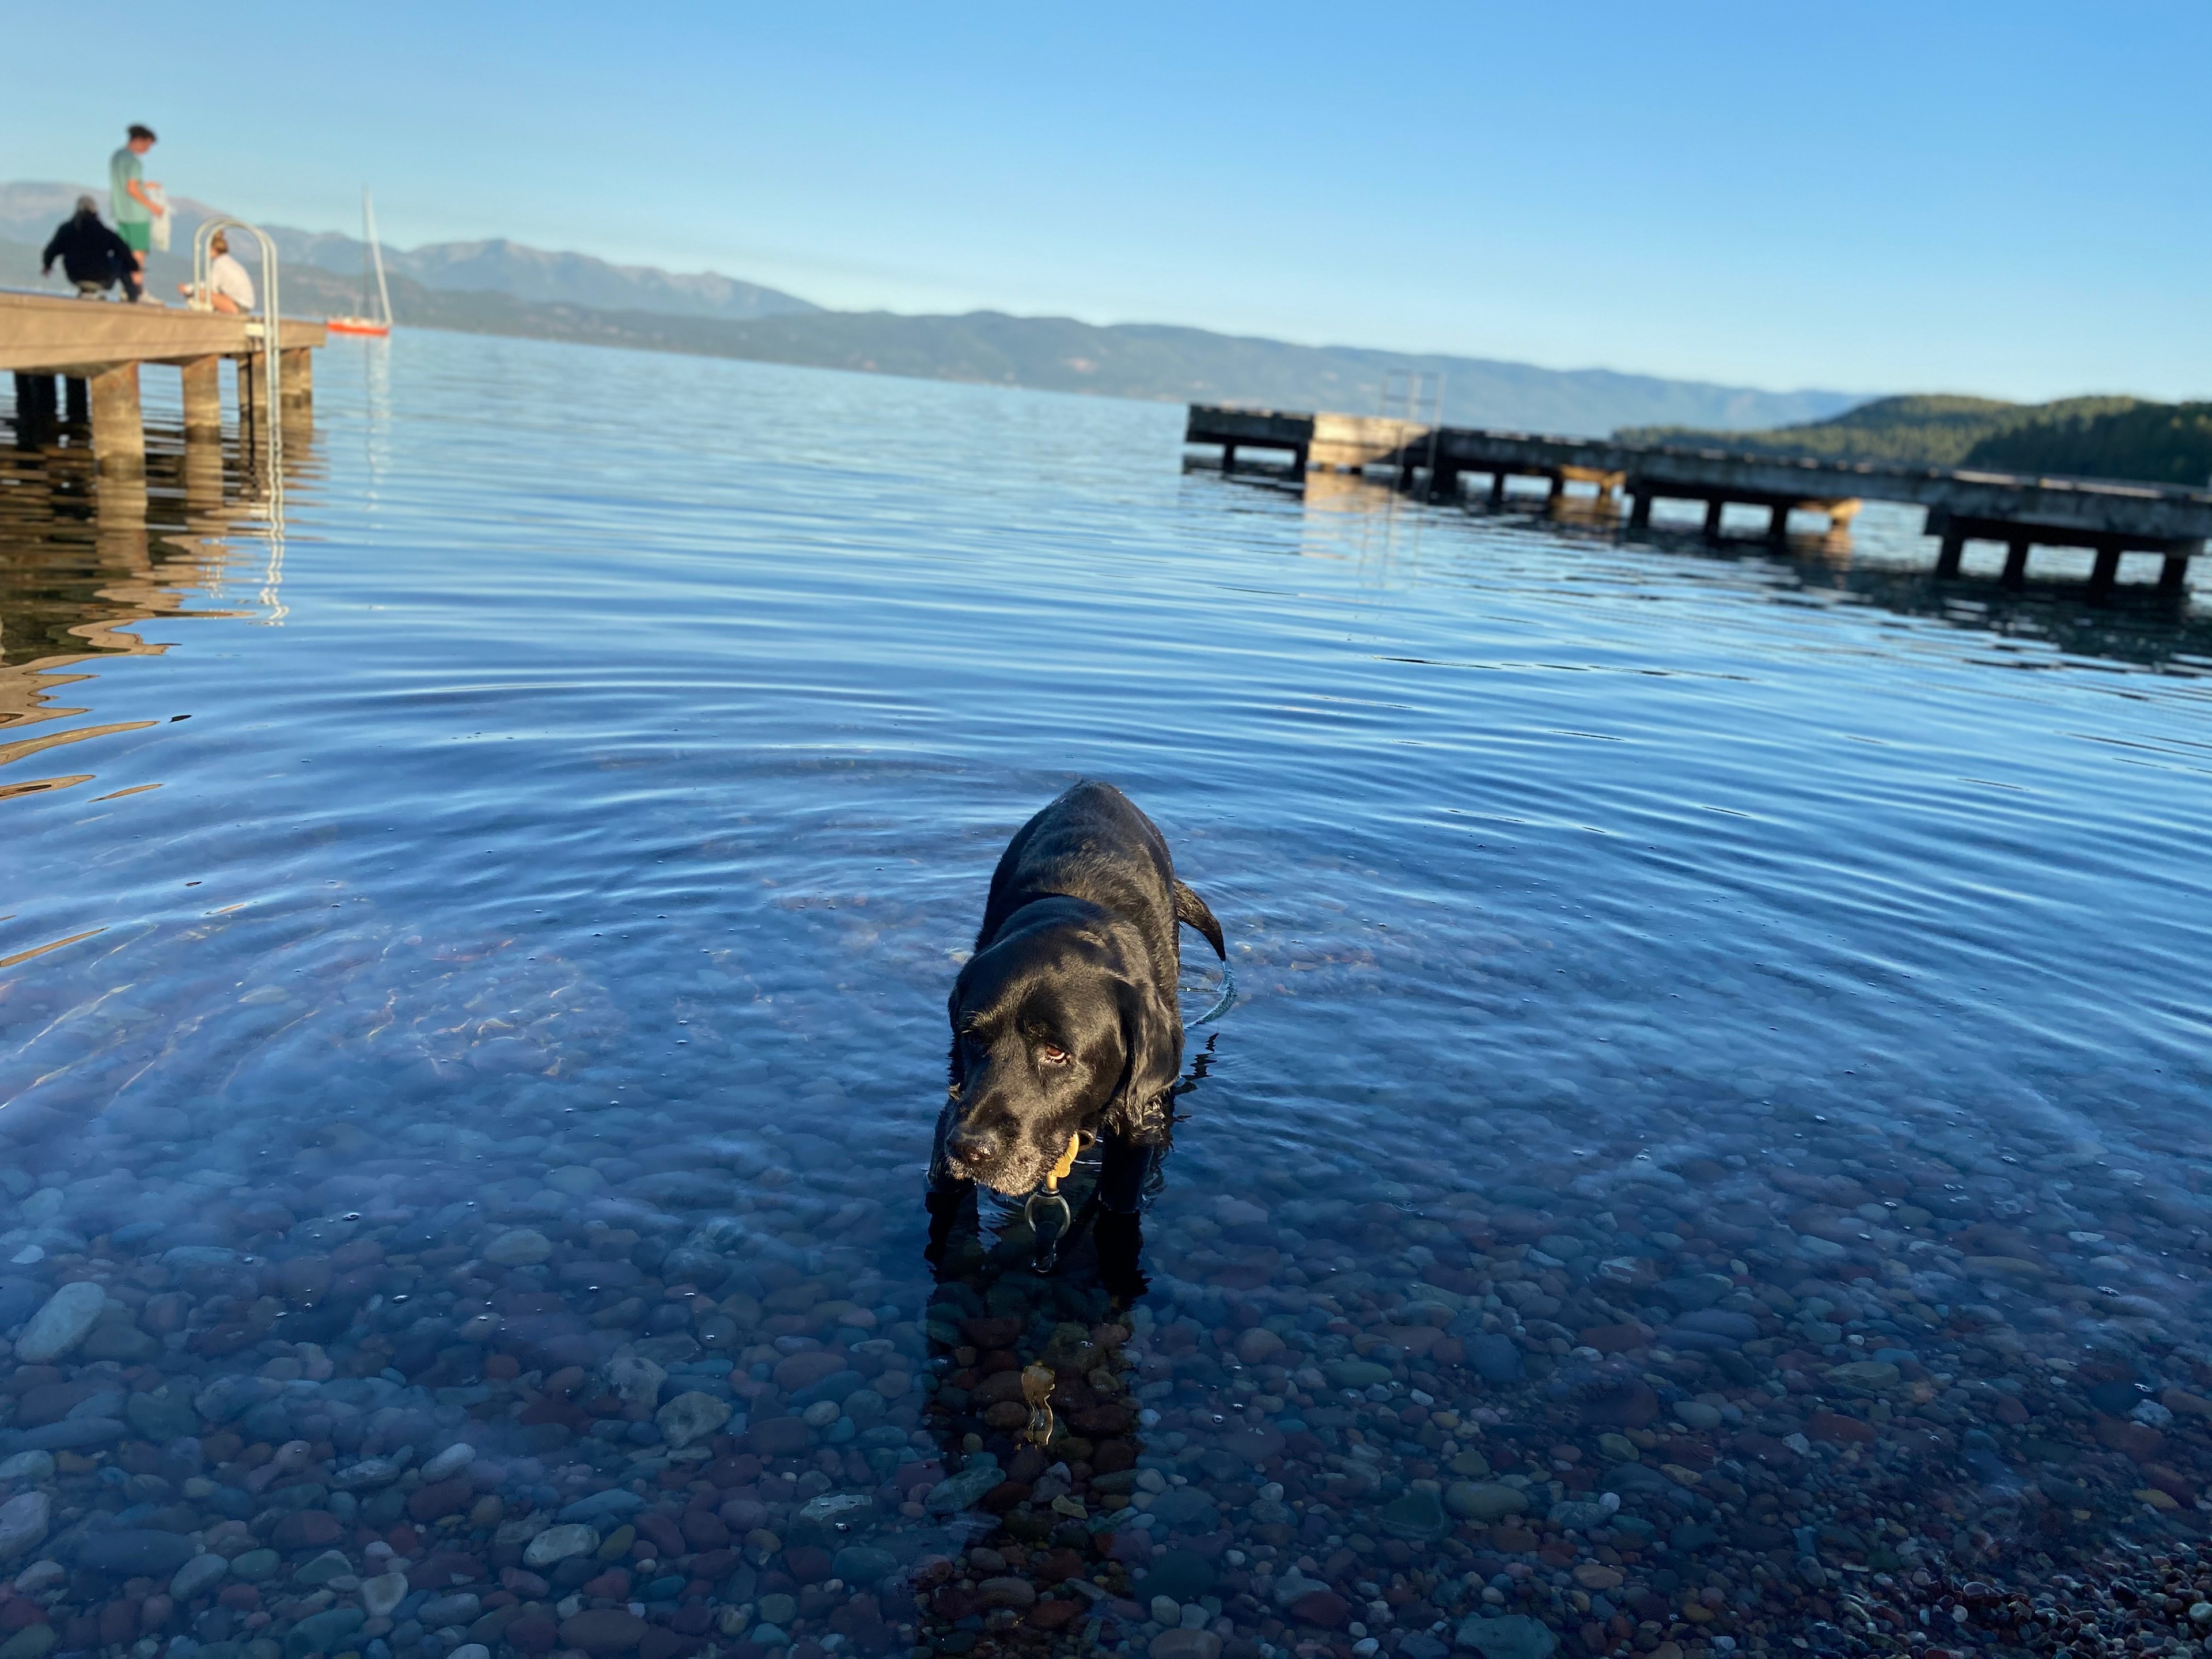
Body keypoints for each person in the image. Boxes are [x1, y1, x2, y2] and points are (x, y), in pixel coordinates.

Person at [41, 195, 142, 301]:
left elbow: (52, 250)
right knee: (121, 259)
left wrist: (47, 266)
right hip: (102, 276)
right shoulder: (103, 231)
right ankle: (132, 295)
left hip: (75, 275)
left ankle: (86, 291)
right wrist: (135, 267)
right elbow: (123, 250)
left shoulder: (66, 229)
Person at [108, 124, 162, 275]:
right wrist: (153, 206)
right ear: (139, 141)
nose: (147, 150)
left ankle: (126, 283)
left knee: (124, 251)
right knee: (138, 253)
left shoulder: (117, 156)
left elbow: (126, 184)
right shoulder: (134, 161)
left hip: (121, 212)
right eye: (147, 145)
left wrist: (144, 185)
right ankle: (136, 285)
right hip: (137, 214)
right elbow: (132, 189)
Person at [179, 231, 255, 313]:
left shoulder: (220, 264)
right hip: (242, 304)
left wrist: (188, 288)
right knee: (203, 293)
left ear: (213, 249)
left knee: (200, 294)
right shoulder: (229, 262)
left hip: (239, 306)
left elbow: (211, 286)